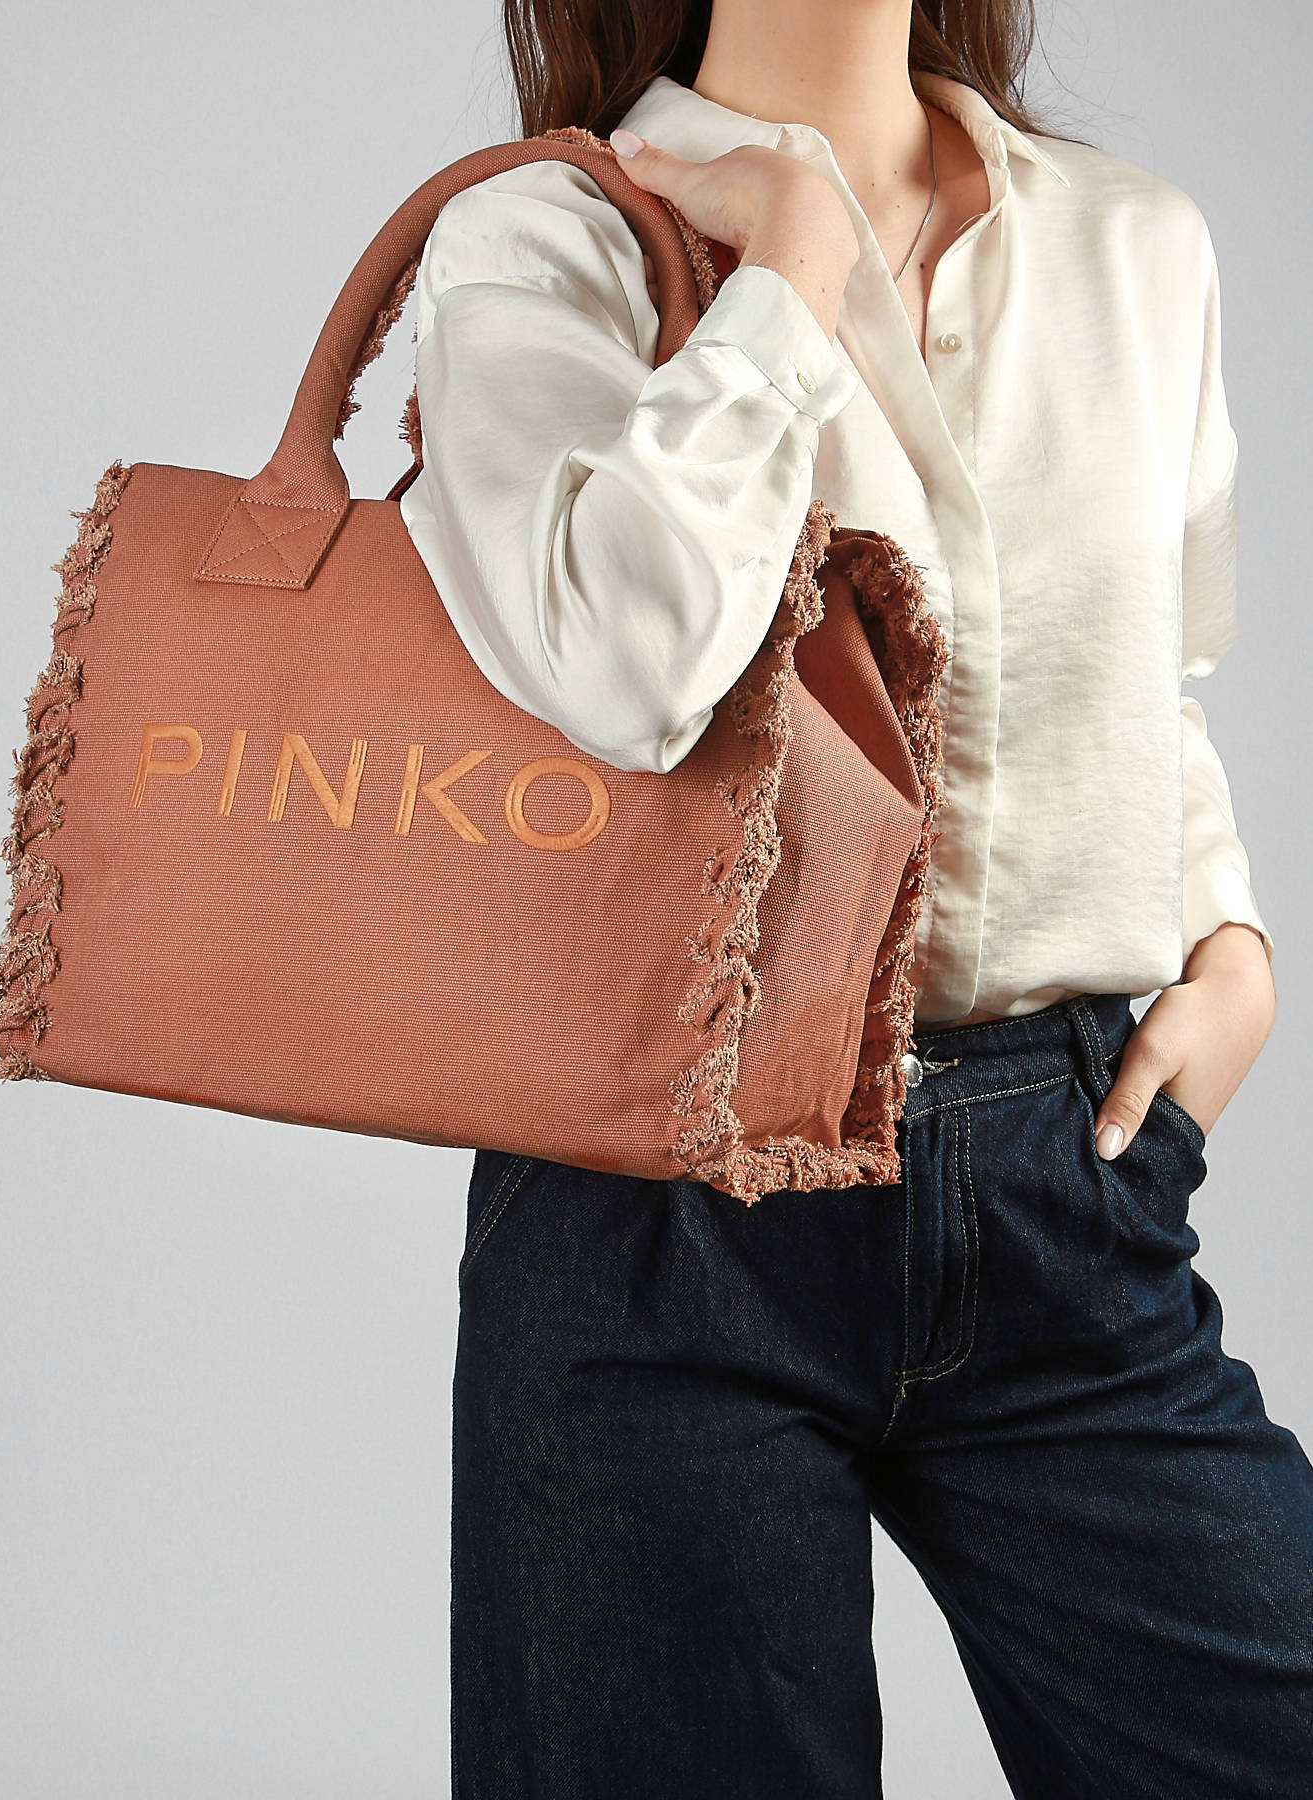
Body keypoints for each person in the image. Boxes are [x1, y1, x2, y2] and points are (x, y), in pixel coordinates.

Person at [400, 1, 1313, 1793]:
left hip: (1060, 1178)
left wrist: (1228, 938)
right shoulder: (548, 238)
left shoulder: (1132, 243)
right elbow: (620, 663)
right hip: (660, 1210)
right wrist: (789, 270)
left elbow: (1154, 667)